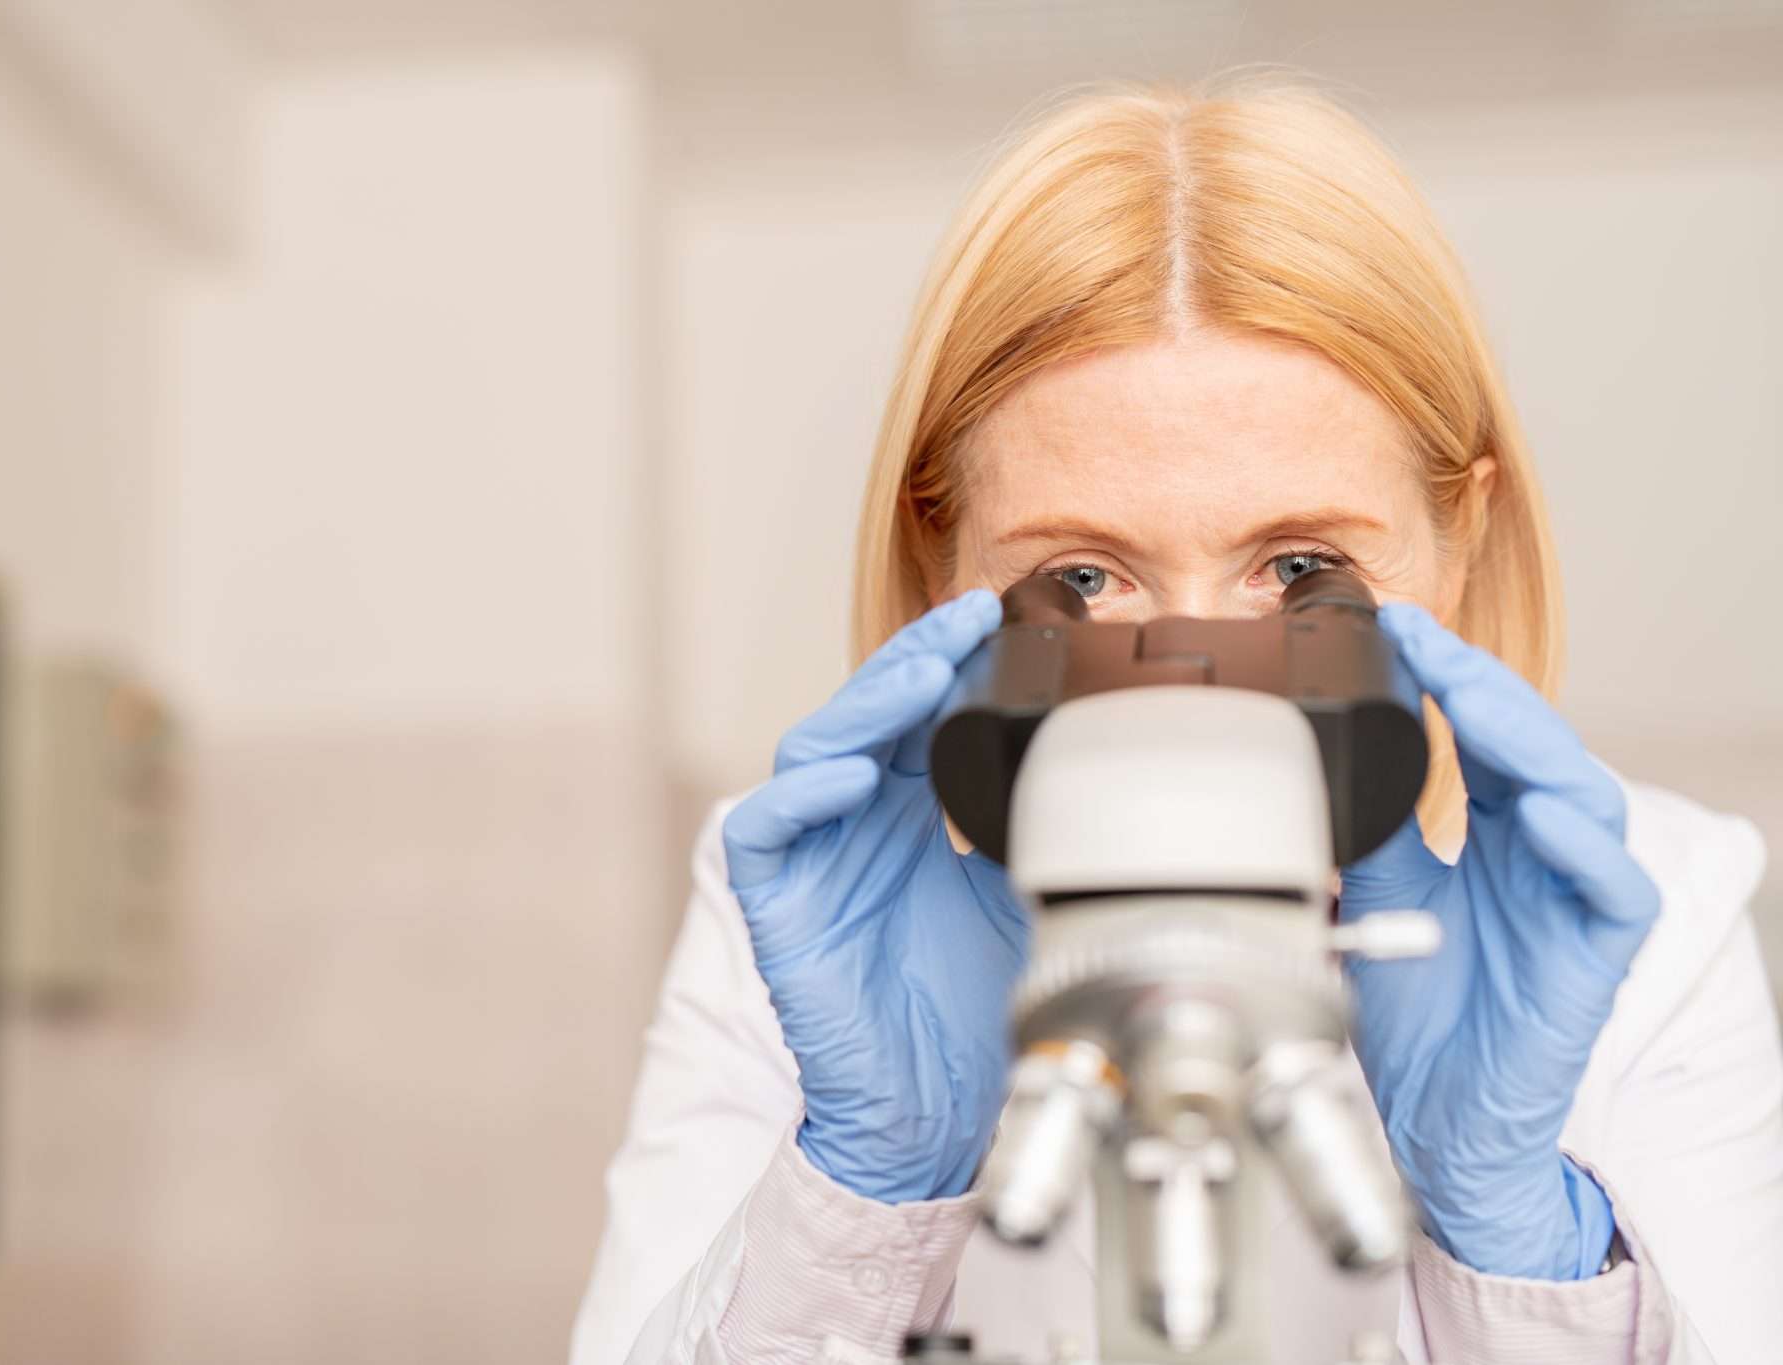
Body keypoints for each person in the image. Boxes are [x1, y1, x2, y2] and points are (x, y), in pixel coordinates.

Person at [571, 81, 1783, 1365]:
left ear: (1460, 539)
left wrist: (1513, 1232)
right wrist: (860, 1191)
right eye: (1084, 579)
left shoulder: (1655, 912)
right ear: (940, 567)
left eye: (1302, 570)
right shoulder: (812, 915)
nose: (1199, 687)